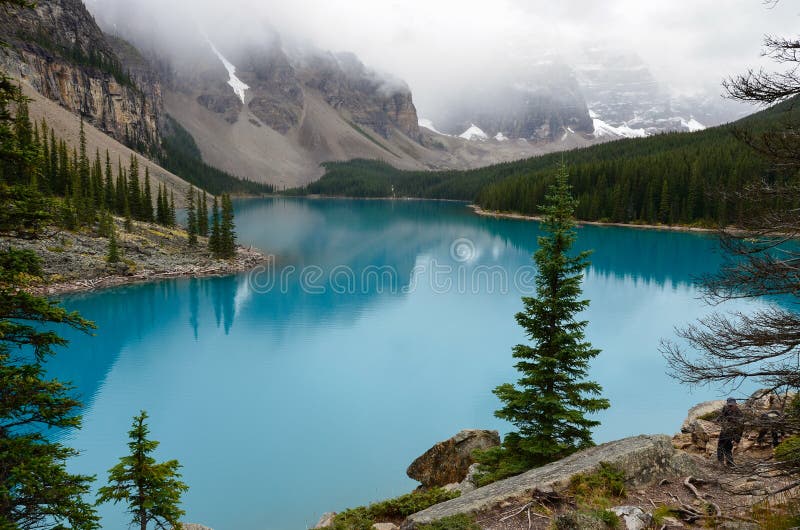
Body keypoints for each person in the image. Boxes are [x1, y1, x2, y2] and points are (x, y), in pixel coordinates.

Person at [717, 398, 744, 467]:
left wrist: (737, 440)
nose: (730, 407)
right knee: (720, 446)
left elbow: (741, 428)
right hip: (724, 430)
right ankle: (721, 462)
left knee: (728, 448)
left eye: (732, 405)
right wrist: (718, 420)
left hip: (733, 433)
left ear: (735, 404)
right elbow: (722, 415)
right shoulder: (725, 408)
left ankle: (730, 463)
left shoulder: (739, 413)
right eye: (729, 405)